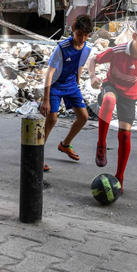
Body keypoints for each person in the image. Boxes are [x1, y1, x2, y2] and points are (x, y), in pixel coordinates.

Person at [88, 20, 137, 191]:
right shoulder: (117, 50)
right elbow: (93, 60)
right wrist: (92, 77)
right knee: (109, 100)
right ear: (135, 36)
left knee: (125, 136)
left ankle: (120, 176)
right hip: (111, 85)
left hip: (129, 95)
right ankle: (101, 144)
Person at [39, 15, 93, 172]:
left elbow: (80, 65)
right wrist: (46, 100)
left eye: (86, 35)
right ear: (73, 31)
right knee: (52, 118)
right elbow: (49, 74)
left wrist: (76, 83)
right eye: (79, 34)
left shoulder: (87, 48)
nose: (83, 38)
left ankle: (65, 144)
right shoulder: (61, 48)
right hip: (55, 85)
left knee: (83, 117)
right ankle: (38, 154)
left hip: (71, 85)